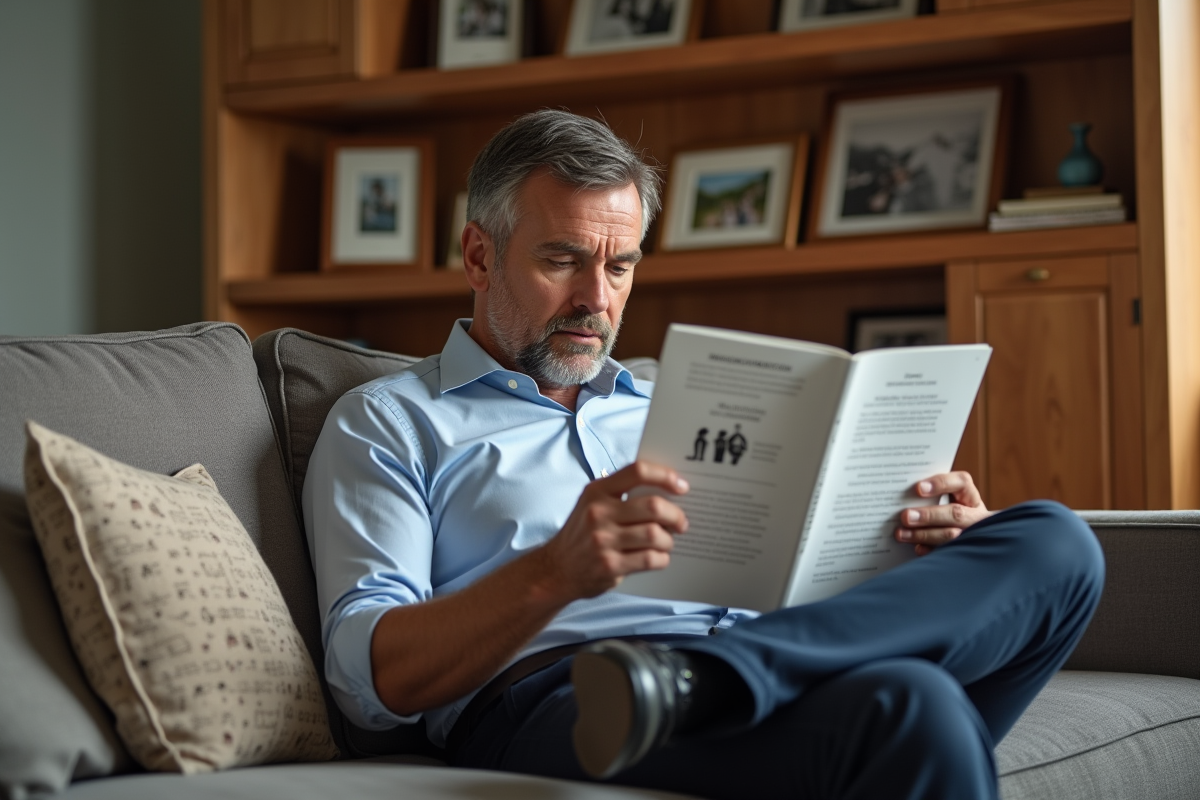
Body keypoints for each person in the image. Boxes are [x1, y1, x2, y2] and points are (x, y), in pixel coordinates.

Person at [303, 109, 1104, 800]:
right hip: (565, 700)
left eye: (619, 267)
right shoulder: (391, 423)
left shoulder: (674, 404)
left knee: (1055, 544)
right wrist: (554, 573)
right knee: (912, 704)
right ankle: (699, 682)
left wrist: (920, 544)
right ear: (480, 257)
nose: (597, 299)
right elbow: (370, 682)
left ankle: (715, 680)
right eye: (563, 260)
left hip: (747, 660)